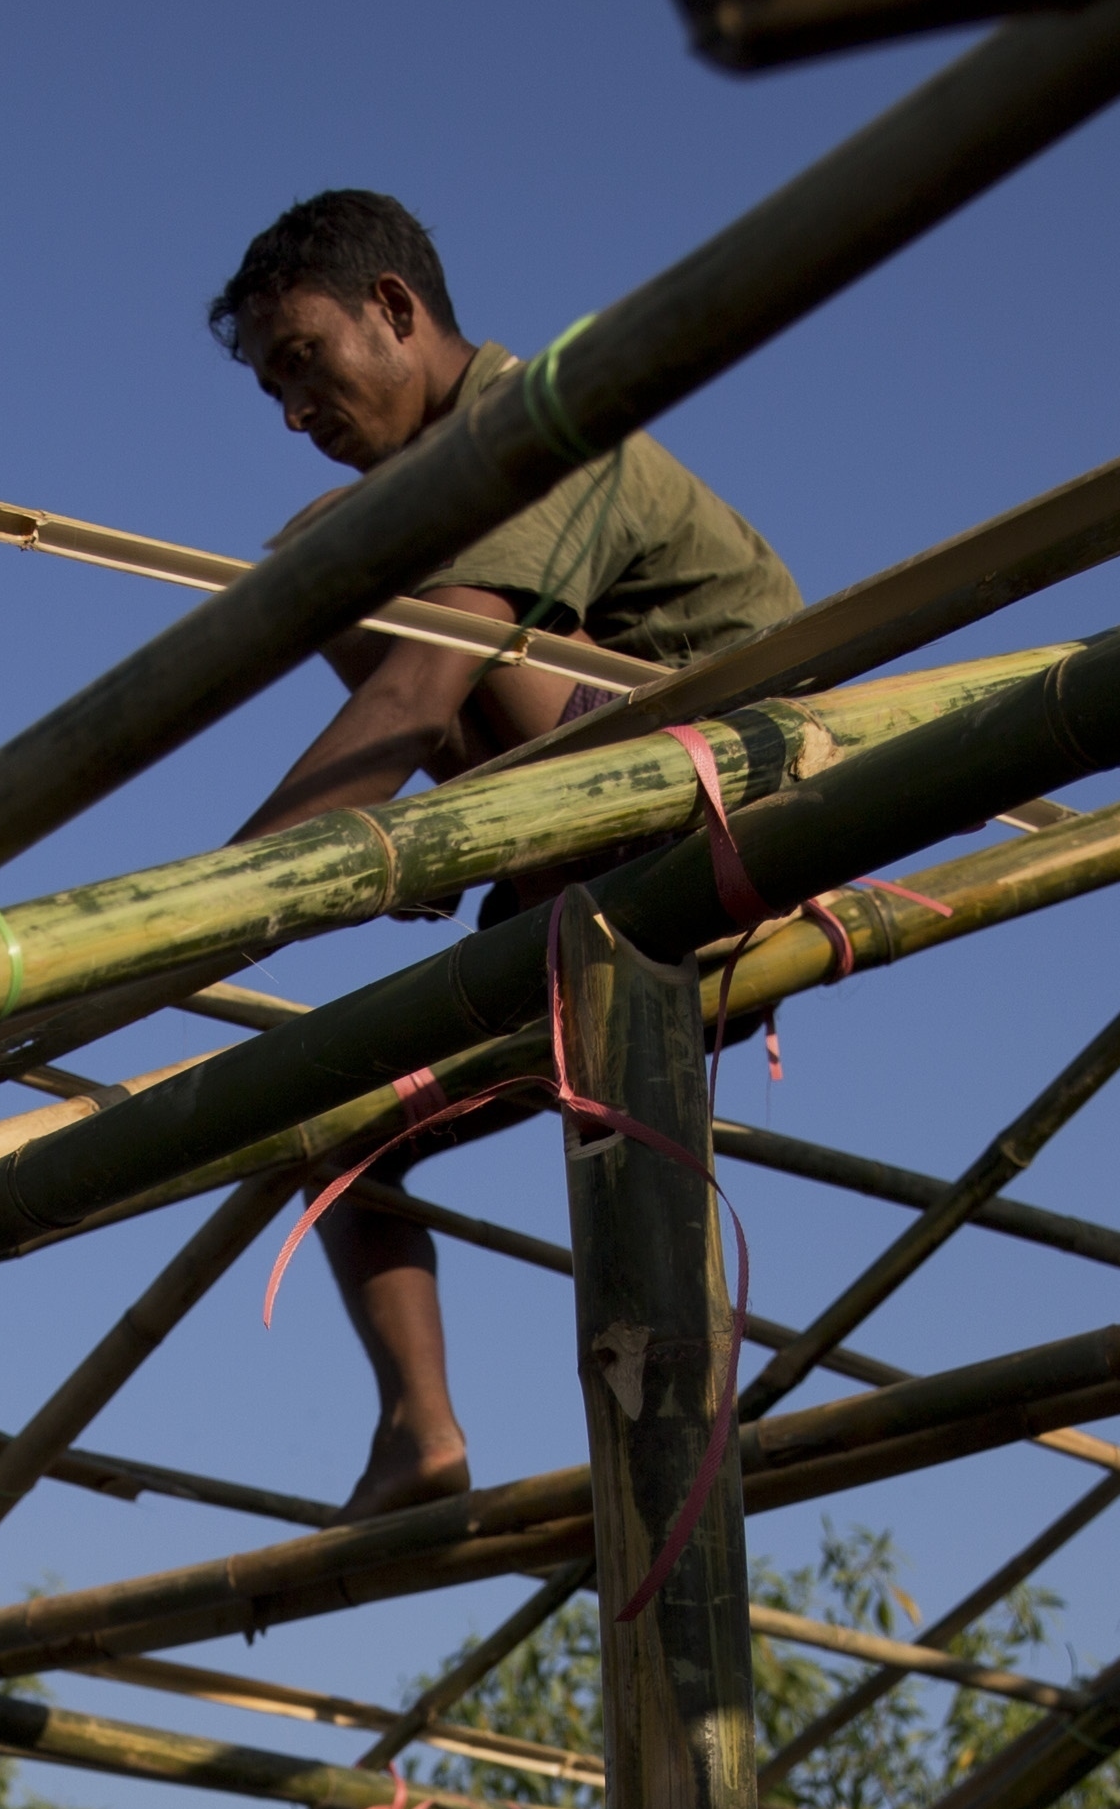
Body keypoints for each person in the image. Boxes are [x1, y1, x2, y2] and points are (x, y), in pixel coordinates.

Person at [206, 187, 801, 1520]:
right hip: (570, 837)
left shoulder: (536, 425)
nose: (293, 413)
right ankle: (417, 1431)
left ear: (396, 311)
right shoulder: (427, 490)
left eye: (301, 363)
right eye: (271, 393)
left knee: (360, 569)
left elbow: (425, 685)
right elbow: (435, 696)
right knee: (337, 1128)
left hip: (715, 815)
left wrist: (225, 892)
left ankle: (504, 829)